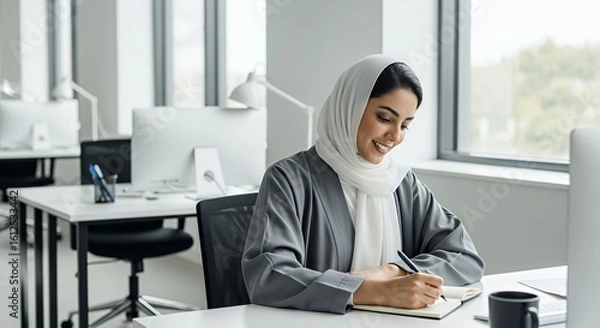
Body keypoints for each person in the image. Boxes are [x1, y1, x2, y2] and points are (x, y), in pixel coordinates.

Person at [241, 54, 485, 314]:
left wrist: (393, 270)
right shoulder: (290, 179)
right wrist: (375, 291)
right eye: (384, 118)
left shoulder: (402, 184)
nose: (395, 136)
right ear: (351, 107)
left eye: (405, 125)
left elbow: (465, 257)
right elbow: (269, 275)